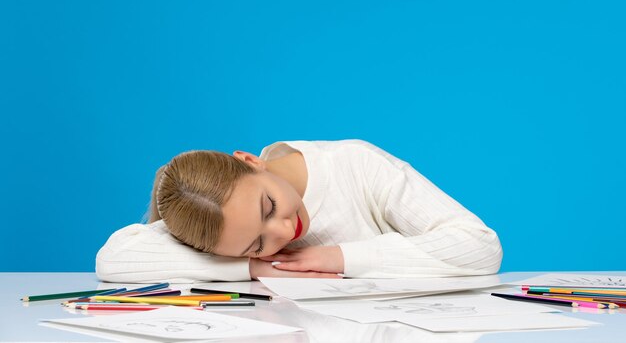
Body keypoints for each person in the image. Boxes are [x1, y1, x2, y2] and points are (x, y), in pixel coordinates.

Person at [96, 139, 503, 283]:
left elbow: (480, 246)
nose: (283, 231)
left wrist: (338, 258)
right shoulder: (212, 222)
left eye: (268, 205)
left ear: (250, 160)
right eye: (256, 244)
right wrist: (253, 269)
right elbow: (114, 258)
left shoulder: (356, 166)